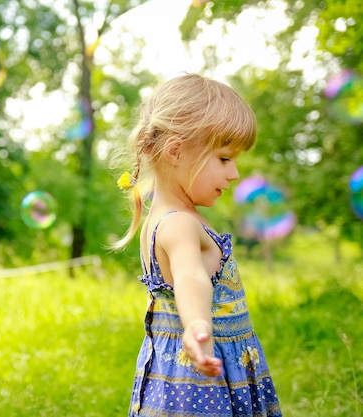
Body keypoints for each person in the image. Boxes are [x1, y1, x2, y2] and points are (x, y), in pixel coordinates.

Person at [113, 73, 282, 416]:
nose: (234, 173)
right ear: (176, 151)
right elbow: (190, 277)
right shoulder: (179, 224)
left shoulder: (165, 217)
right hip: (203, 388)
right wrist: (197, 326)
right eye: (224, 159)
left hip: (184, 377)